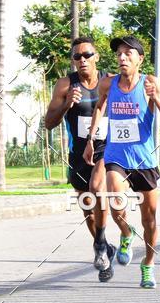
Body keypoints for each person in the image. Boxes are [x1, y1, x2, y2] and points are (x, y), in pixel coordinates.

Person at [84, 35, 160, 289]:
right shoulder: (107, 84)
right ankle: (125, 233)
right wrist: (92, 138)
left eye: (128, 54)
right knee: (116, 204)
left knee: (150, 220)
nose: (122, 58)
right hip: (116, 156)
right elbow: (99, 108)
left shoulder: (150, 83)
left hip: (144, 160)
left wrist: (156, 98)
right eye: (119, 54)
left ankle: (148, 264)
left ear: (140, 59)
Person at [45, 37, 116, 281]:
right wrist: (66, 104)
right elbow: (49, 123)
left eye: (87, 55)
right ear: (73, 61)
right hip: (78, 152)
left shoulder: (111, 82)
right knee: (88, 205)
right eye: (77, 56)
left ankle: (100, 245)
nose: (82, 60)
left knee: (98, 188)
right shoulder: (65, 85)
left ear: (96, 57)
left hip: (107, 148)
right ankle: (104, 245)